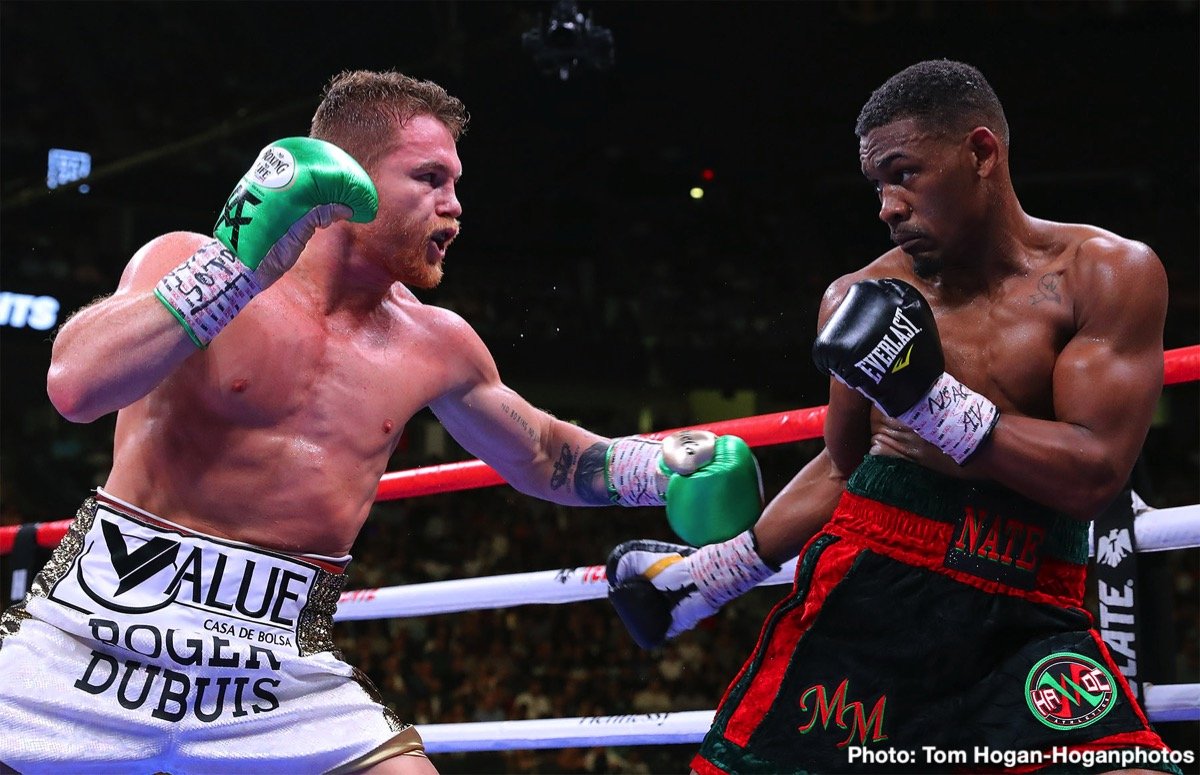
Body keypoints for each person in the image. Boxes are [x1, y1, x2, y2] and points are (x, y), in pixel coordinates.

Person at [0, 70, 764, 773]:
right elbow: (75, 384)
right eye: (430, 178)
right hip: (87, 639)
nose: (455, 205)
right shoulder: (190, 259)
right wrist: (233, 267)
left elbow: (545, 456)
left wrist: (658, 468)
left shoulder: (436, 341)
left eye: (456, 183)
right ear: (348, 181)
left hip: (273, 675)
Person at [608, 60, 1183, 774]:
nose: (886, 204)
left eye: (904, 173)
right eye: (877, 184)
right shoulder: (864, 296)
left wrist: (933, 403)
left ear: (981, 152)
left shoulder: (1105, 273)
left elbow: (1095, 472)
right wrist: (713, 574)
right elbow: (847, 463)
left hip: (1031, 608)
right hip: (875, 594)